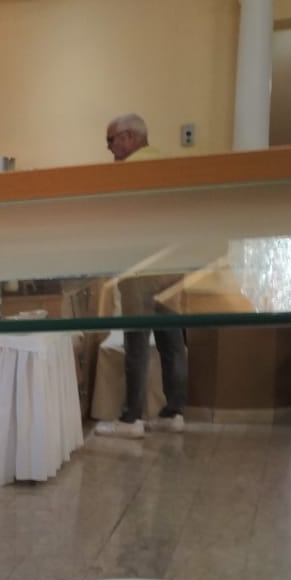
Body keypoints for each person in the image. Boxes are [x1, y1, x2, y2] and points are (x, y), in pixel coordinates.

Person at [94, 114, 188, 439]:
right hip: (172, 265)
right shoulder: (168, 162)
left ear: (130, 137)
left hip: (140, 266)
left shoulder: (130, 170)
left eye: (111, 140)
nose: (109, 148)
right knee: (172, 341)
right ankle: (174, 412)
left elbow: (119, 218)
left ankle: (131, 418)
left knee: (136, 340)